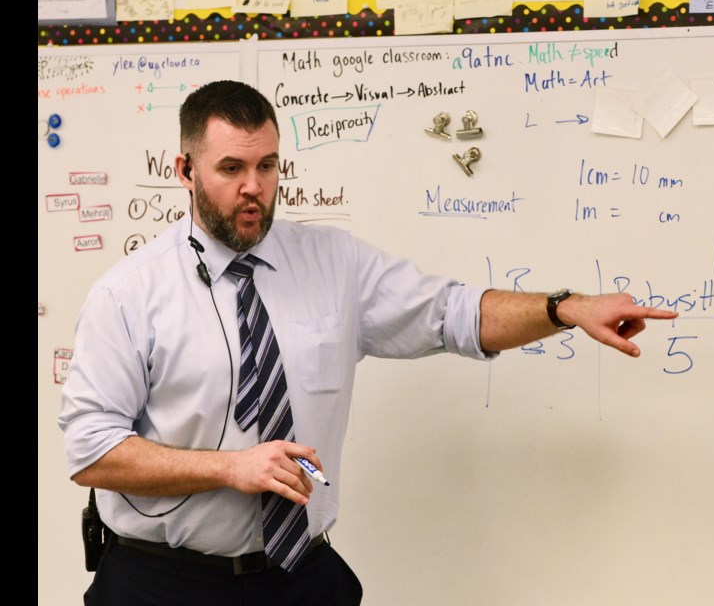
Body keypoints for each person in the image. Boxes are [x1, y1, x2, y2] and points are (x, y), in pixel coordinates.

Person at [59, 80, 678, 605]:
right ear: (185, 171)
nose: (254, 187)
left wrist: (564, 308)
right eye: (231, 168)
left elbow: (454, 314)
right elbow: (91, 452)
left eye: (267, 166)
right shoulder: (129, 295)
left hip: (297, 576)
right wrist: (231, 468)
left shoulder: (334, 263)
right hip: (162, 582)